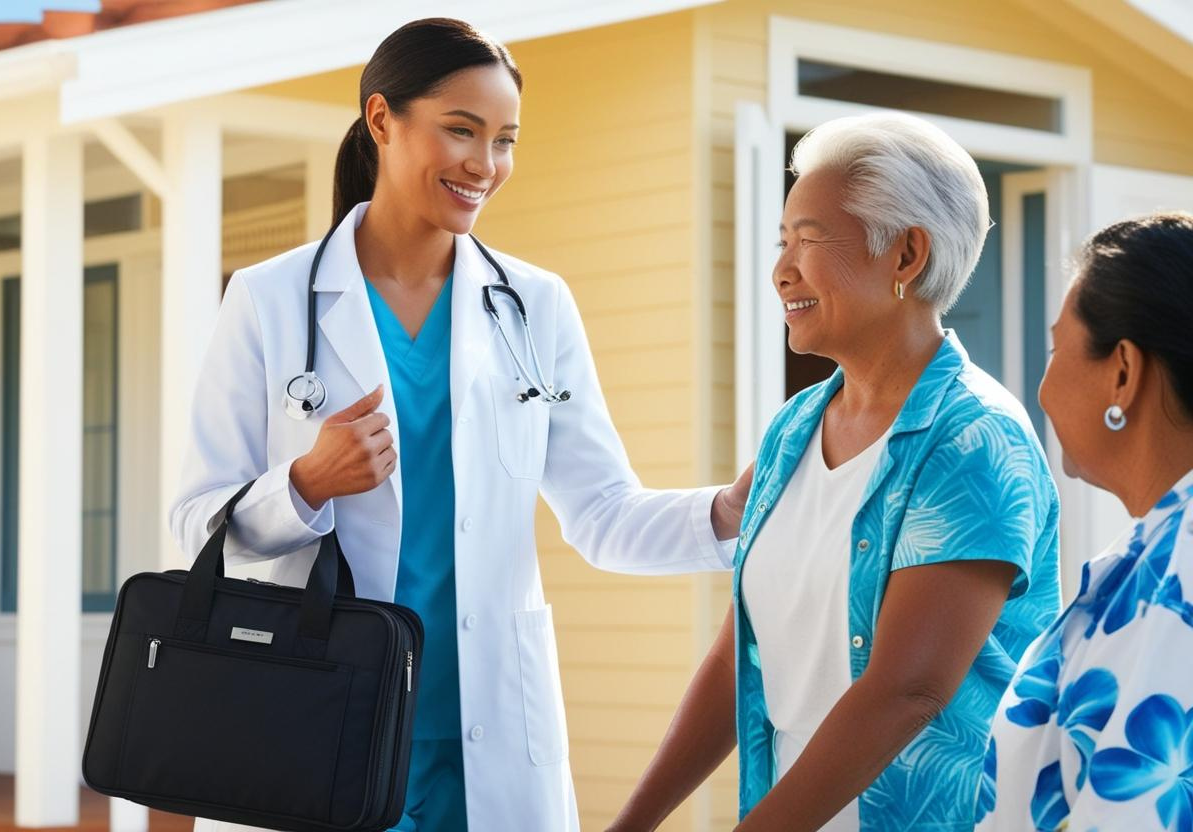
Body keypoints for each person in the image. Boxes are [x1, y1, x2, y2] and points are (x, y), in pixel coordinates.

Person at [169, 18, 751, 832]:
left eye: (505, 140)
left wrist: (724, 511)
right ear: (381, 120)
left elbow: (603, 514)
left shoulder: (534, 305)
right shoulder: (269, 299)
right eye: (461, 131)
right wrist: (305, 485)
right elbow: (198, 525)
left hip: (482, 740)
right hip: (317, 723)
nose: (486, 164)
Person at [609, 112, 1061, 832]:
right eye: (782, 239)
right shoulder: (793, 430)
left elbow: (907, 692)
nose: (781, 268)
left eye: (811, 239)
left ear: (906, 255)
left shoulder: (975, 439)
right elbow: (739, 657)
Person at [977, 212, 1193, 831]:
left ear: (1122, 372)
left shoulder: (1178, 571)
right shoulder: (1156, 547)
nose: (1041, 388)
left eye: (1055, 348)